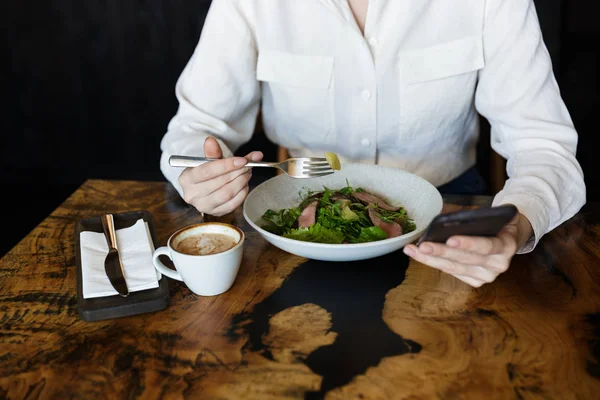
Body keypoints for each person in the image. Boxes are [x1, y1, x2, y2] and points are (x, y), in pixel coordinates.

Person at [159, 0, 586, 287]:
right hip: (293, 233)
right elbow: (196, 129)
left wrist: (518, 224)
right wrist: (199, 175)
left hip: (453, 222)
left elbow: (543, 144)